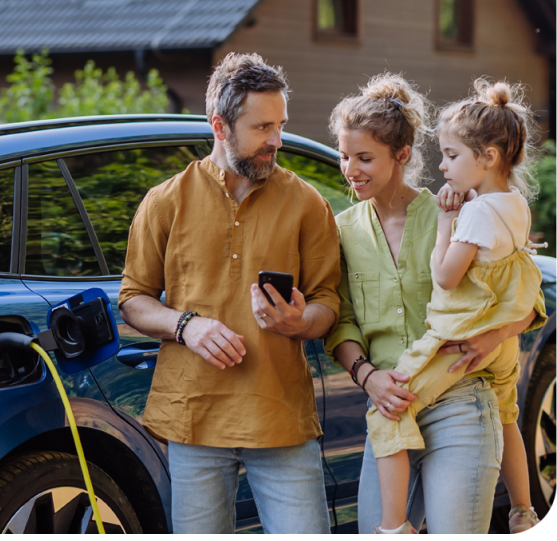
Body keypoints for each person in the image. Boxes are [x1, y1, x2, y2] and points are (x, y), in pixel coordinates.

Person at [119, 52, 341, 534]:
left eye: (280, 125)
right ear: (220, 126)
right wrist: (186, 326)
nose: (276, 140)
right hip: (193, 419)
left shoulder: (308, 204)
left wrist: (301, 322)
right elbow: (133, 299)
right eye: (262, 128)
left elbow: (328, 303)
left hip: (280, 417)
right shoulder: (165, 202)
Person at [324, 73, 546, 535]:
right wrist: (369, 378)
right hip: (390, 404)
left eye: (364, 158)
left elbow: (521, 295)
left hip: (462, 400)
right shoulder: (341, 230)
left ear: (401, 155)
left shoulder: (460, 209)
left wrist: (495, 336)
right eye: (346, 156)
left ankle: (523, 509)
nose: (350, 169)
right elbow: (340, 321)